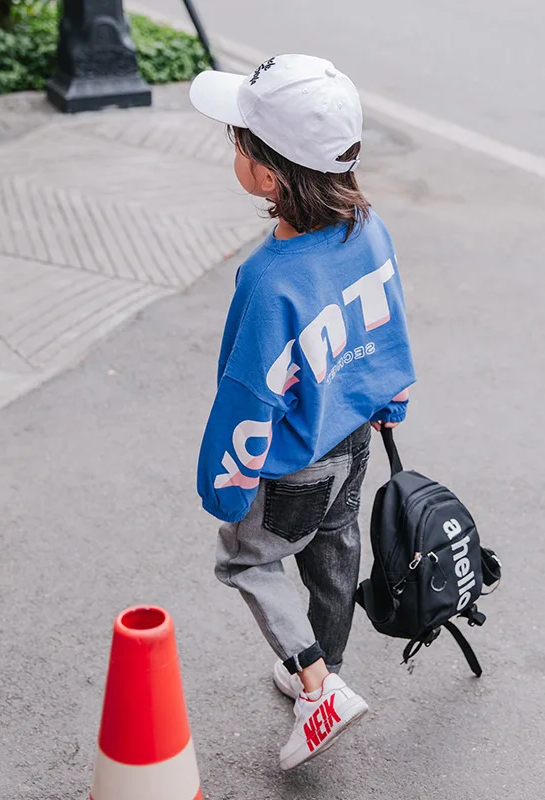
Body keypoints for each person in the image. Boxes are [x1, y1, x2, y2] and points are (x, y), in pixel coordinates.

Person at [189, 54, 416, 770]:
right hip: (353, 438)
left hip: (291, 461)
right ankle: (326, 668)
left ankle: (317, 685)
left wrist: (224, 483)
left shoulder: (268, 280)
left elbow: (250, 397)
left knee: (247, 561)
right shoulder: (367, 227)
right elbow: (388, 322)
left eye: (239, 141)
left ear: (267, 175)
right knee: (333, 549)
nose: (235, 150)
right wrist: (390, 396)